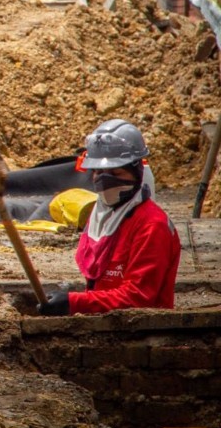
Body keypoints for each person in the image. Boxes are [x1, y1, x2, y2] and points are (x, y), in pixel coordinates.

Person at [37, 119, 181, 316]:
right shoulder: (102, 216)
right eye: (98, 172)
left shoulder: (152, 226)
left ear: (137, 171)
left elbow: (138, 297)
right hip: (105, 323)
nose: (105, 180)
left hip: (141, 333)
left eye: (115, 172)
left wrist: (75, 302)